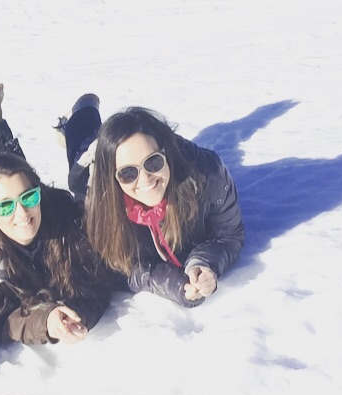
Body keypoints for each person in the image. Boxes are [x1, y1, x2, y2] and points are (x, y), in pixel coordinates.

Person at [0, 84, 114, 345]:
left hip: (49, 203)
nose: (22, 212)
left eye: (29, 198)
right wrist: (46, 321)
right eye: (5, 206)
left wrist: (76, 314)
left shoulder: (68, 222)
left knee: (19, 174)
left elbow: (99, 285)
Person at [67, 104, 245, 307]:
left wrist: (203, 263)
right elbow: (118, 267)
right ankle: (84, 109)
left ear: (166, 154)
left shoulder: (206, 175)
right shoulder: (99, 203)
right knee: (79, 152)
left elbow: (229, 234)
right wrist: (174, 285)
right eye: (128, 173)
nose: (145, 179)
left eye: (153, 162)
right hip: (92, 166)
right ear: (113, 179)